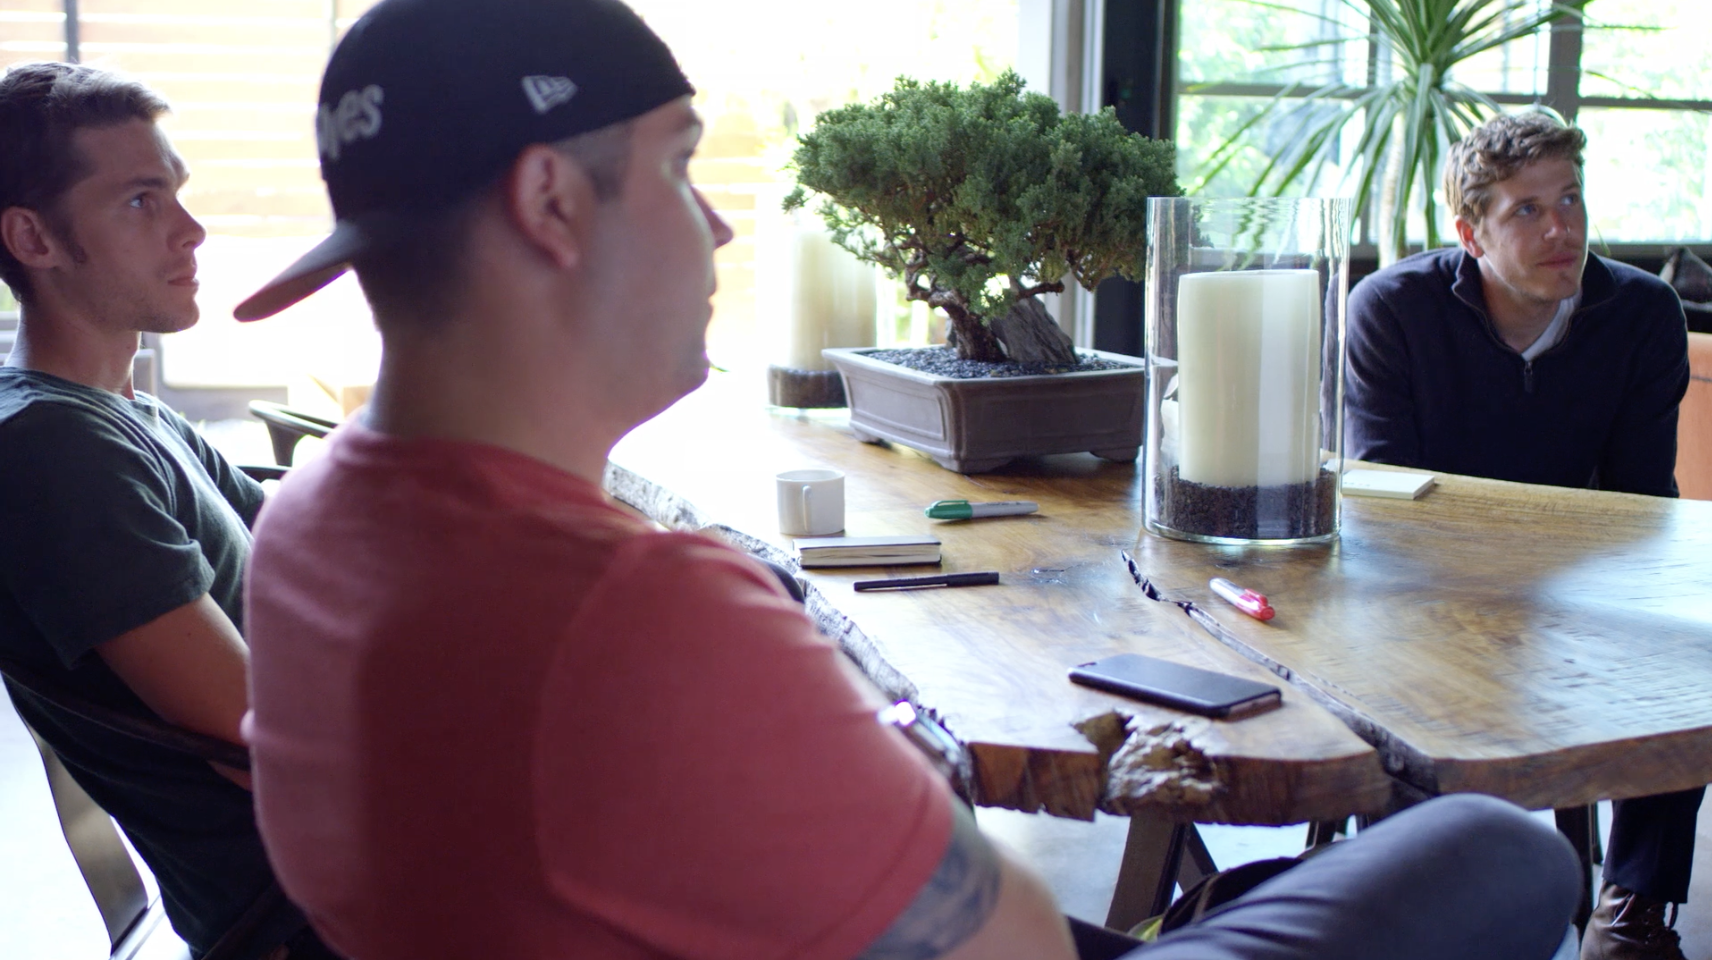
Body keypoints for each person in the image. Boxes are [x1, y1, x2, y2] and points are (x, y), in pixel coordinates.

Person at [237, 3, 1582, 959]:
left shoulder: (309, 525)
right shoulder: (639, 609)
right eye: (682, 166)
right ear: (552, 203)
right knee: (1504, 852)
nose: (714, 224)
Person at [0, 62, 334, 960]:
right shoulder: (55, 452)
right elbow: (250, 745)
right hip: (318, 904)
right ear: (34, 237)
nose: (192, 231)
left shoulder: (126, 413)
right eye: (143, 202)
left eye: (177, 194)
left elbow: (301, 559)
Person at [1343, 111, 1696, 960]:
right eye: (1527, 210)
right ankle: (1418, 906)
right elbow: (1386, 505)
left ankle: (1632, 907)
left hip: (1586, 583)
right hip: (1425, 592)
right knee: (1399, 676)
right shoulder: (1392, 310)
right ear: (1471, 233)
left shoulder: (1644, 313)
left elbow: (1644, 502)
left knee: (1695, 655)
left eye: (1570, 199)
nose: (1562, 228)